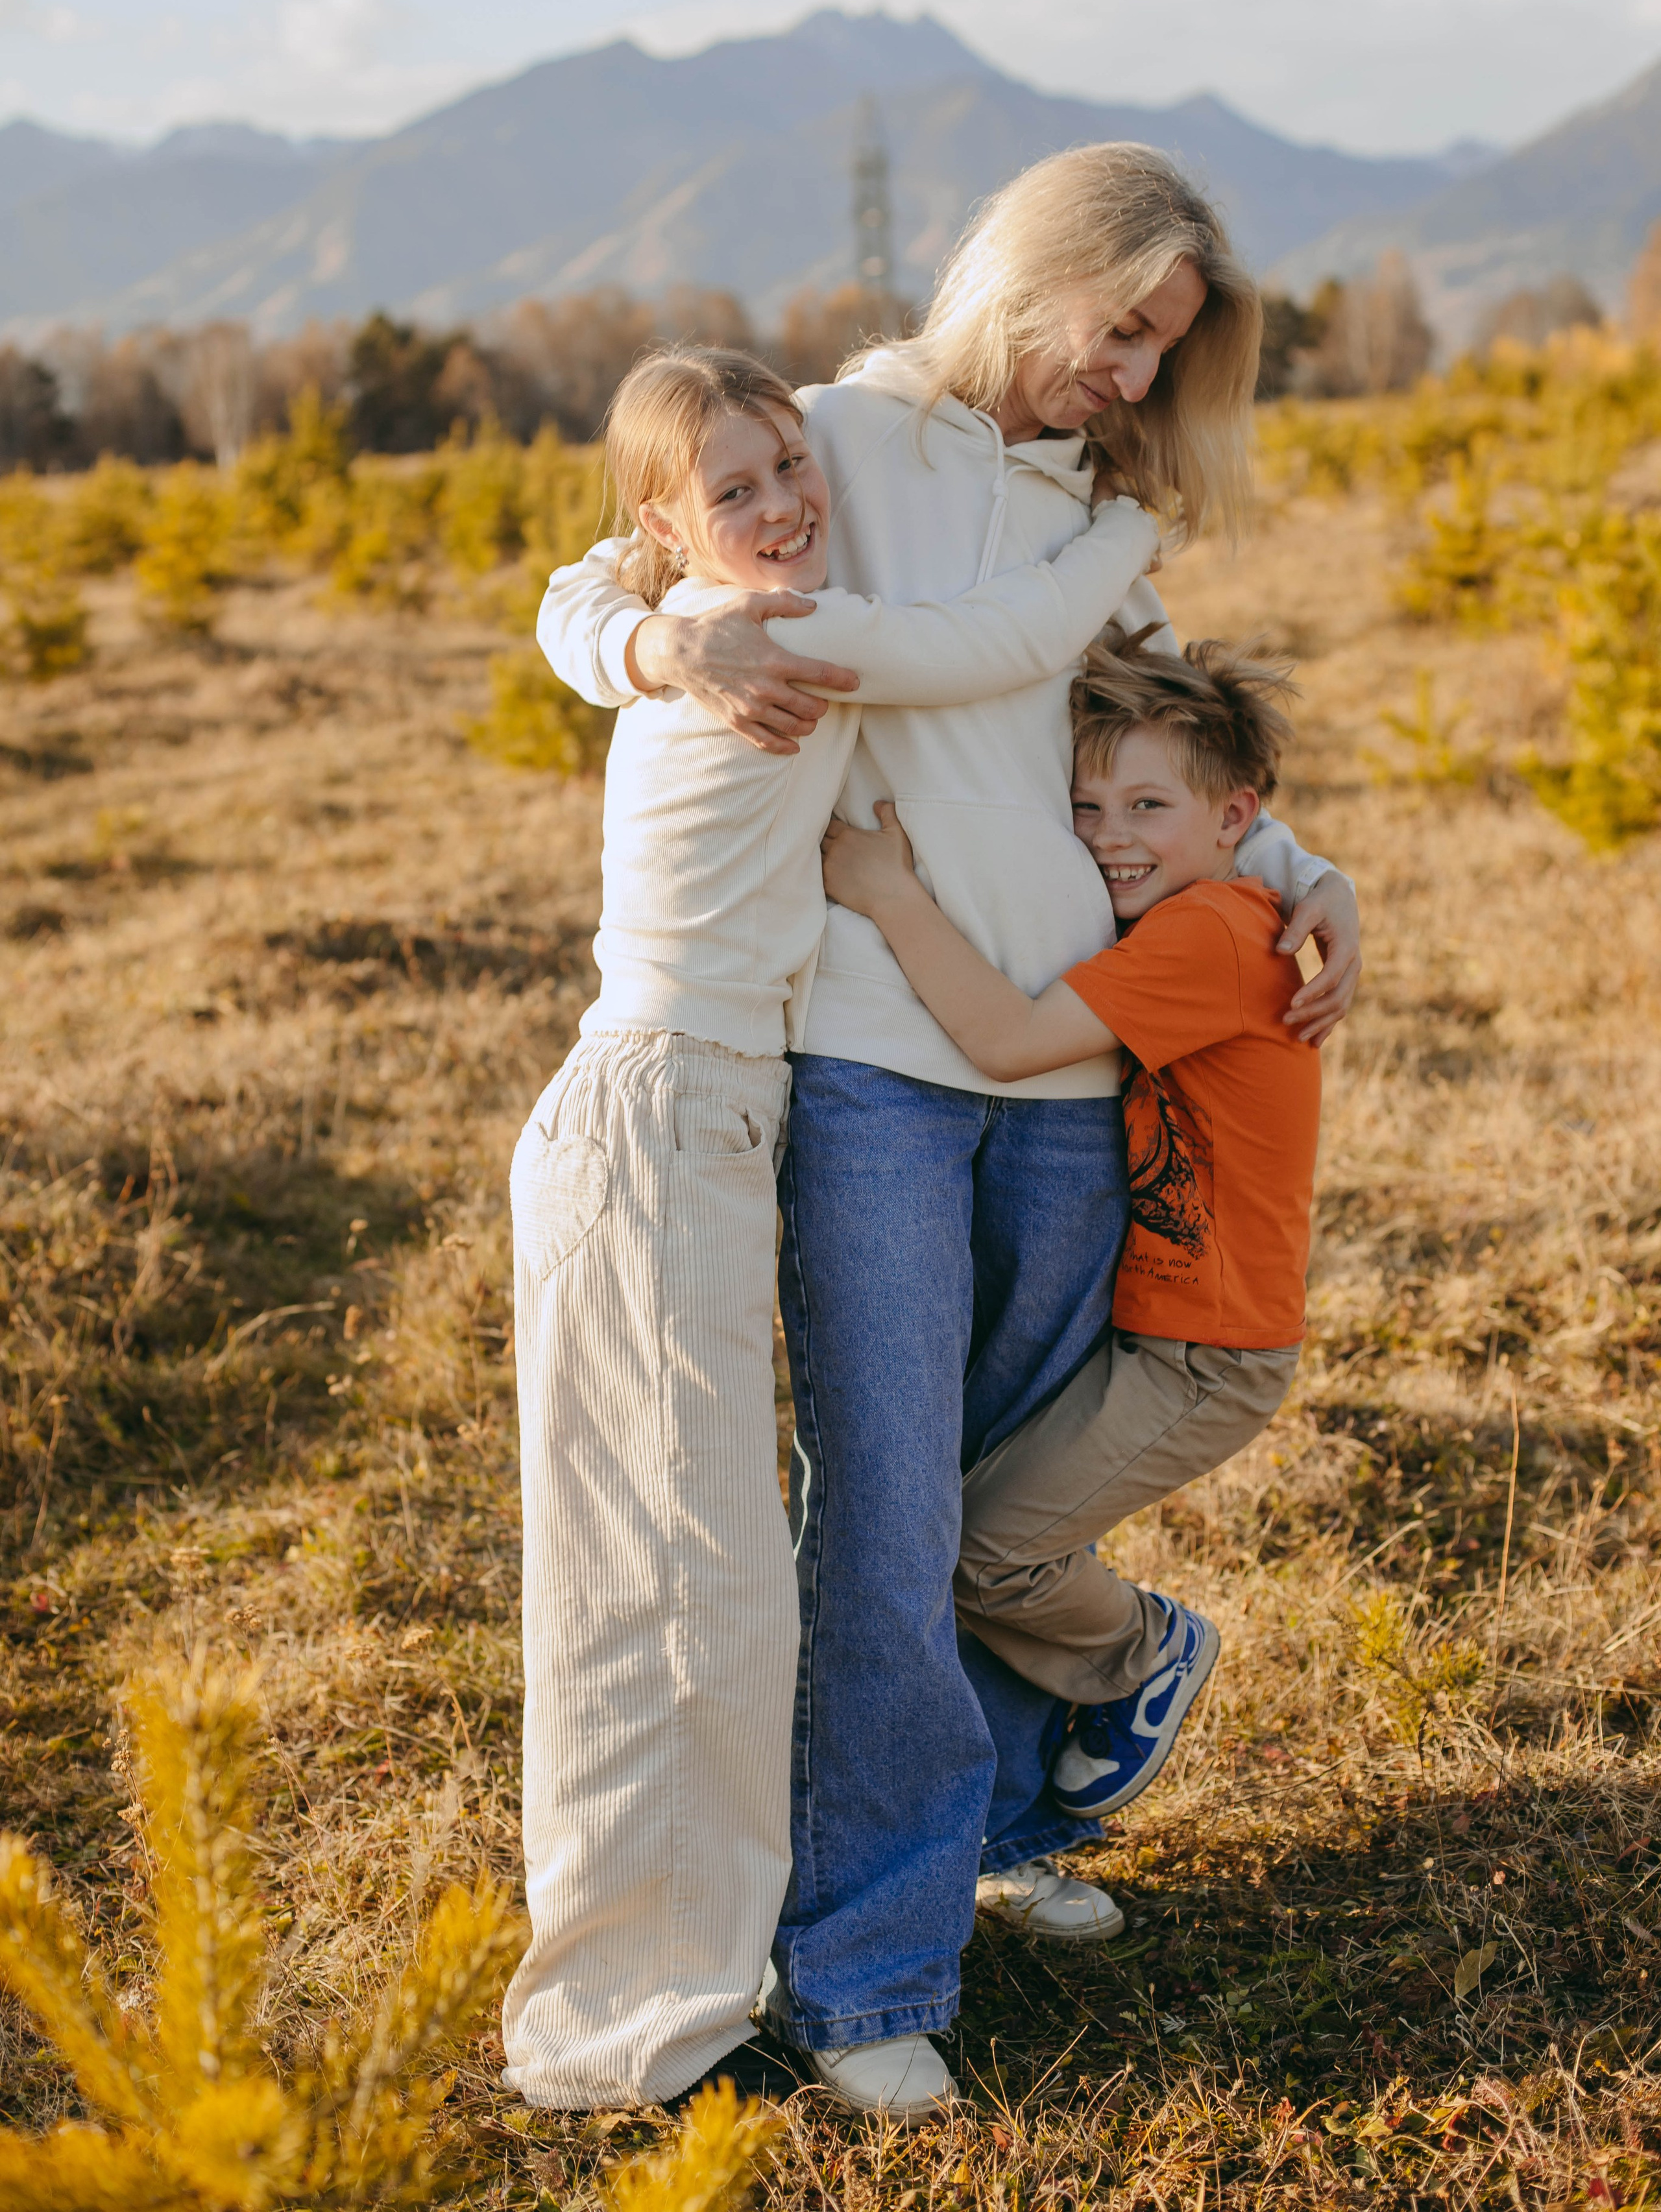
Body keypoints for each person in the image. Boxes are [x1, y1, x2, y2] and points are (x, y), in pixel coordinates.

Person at [536, 143, 1362, 2124]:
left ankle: (990, 1846)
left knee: (1003, 1505)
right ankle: (871, 1966)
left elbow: (1169, 729)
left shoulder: (1092, 509)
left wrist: (1313, 865)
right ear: (1040, 269)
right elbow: (584, 589)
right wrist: (668, 646)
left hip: (1072, 1085)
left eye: (1168, 358)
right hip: (881, 1074)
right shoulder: (826, 440)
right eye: (1125, 329)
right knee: (891, 1521)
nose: (1135, 379)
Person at [501, 343, 1166, 2113]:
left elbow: (591, 598)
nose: (788, 502)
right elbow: (1010, 646)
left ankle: (681, 1995)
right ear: (667, 523)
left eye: (795, 465)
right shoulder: (775, 643)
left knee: (701, 1584)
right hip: (655, 1116)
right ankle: (629, 2037)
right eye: (737, 488)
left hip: (711, 1117)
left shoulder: (754, 617)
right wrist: (1133, 521)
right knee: (670, 1593)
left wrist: (647, 624)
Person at [821, 625, 1321, 1825]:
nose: (1107, 837)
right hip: (1161, 1332)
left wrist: (891, 893)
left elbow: (1003, 1037)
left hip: (1208, 1357)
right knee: (983, 1518)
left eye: (1147, 805)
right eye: (1087, 806)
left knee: (988, 1551)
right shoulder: (1196, 915)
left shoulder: (1207, 935)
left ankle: (1144, 1653)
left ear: (1234, 817)